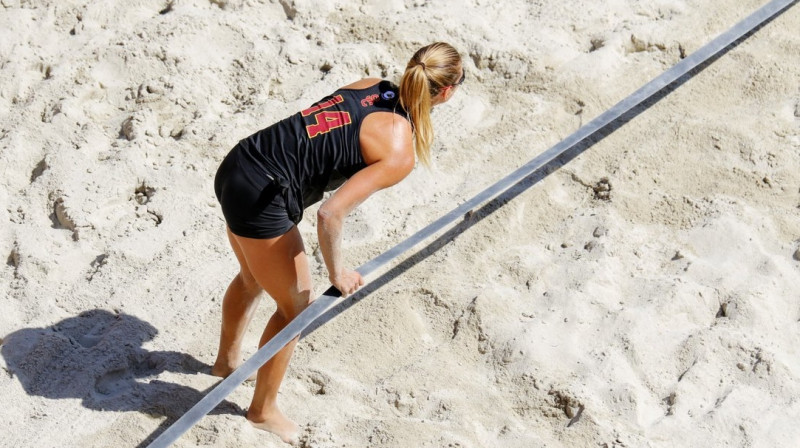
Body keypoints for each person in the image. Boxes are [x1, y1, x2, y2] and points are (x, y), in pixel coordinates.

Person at [211, 42, 464, 443]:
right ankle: (262, 411)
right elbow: (330, 214)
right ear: (446, 92)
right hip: (262, 195)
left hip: (240, 162)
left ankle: (225, 365)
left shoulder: (372, 85)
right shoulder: (399, 150)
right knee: (296, 307)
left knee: (252, 277)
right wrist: (337, 273)